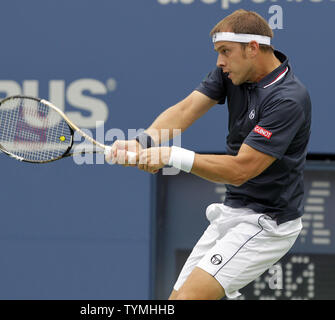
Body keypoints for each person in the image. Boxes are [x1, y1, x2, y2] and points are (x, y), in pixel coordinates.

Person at [107, 9, 311, 300]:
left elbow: (241, 170)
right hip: (233, 210)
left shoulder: (288, 100)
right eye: (218, 52)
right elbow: (187, 109)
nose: (220, 61)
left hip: (268, 224)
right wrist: (144, 141)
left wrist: (170, 156)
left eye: (225, 51)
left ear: (252, 49)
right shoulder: (231, 72)